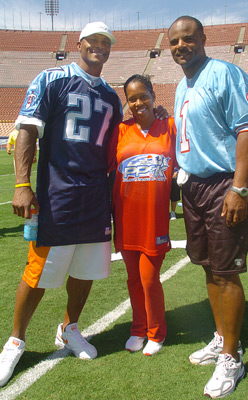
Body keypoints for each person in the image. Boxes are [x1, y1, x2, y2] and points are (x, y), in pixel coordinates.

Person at [0, 22, 123, 388]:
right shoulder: (52, 79)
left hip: (96, 196)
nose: (100, 47)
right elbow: (27, 129)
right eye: (94, 41)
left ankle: (69, 328)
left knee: (85, 272)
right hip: (58, 194)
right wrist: (22, 184)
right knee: (37, 273)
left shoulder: (112, 96)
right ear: (80, 44)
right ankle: (16, 340)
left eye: (106, 43)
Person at [168, 16, 248, 399]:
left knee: (225, 273)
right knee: (208, 267)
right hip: (194, 187)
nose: (180, 46)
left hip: (225, 183)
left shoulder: (226, 74)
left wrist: (240, 186)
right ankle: (222, 337)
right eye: (174, 41)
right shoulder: (180, 84)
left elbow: (247, 128)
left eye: (188, 39)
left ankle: (231, 358)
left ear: (203, 39)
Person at [108, 74, 177, 356]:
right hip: (126, 218)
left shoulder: (170, 126)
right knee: (133, 279)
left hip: (155, 219)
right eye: (132, 98)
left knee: (149, 278)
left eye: (143, 96)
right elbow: (106, 166)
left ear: (153, 96)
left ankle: (156, 332)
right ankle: (138, 328)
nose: (138, 102)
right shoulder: (121, 130)